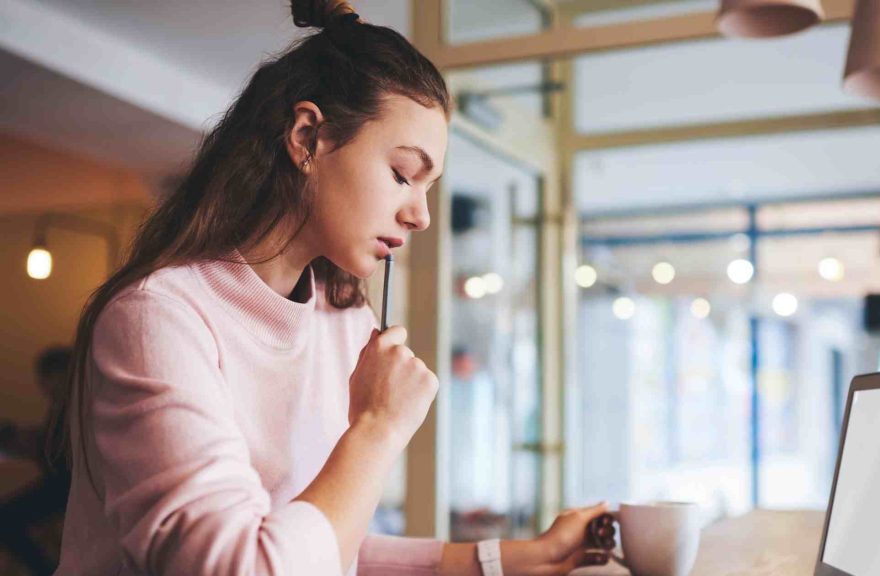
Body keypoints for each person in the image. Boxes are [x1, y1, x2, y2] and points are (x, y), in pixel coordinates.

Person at [46, 2, 609, 575]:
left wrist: (516, 558)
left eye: (428, 186)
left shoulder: (343, 322)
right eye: (401, 174)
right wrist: (377, 427)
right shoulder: (159, 318)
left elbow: (326, 544)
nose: (421, 216)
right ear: (307, 136)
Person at [0, 346, 73, 575]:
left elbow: (63, 457)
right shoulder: (60, 408)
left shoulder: (77, 405)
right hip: (60, 483)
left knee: (4, 518)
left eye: (49, 377)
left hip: (68, 486)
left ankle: (45, 570)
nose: (45, 385)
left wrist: (36, 447)